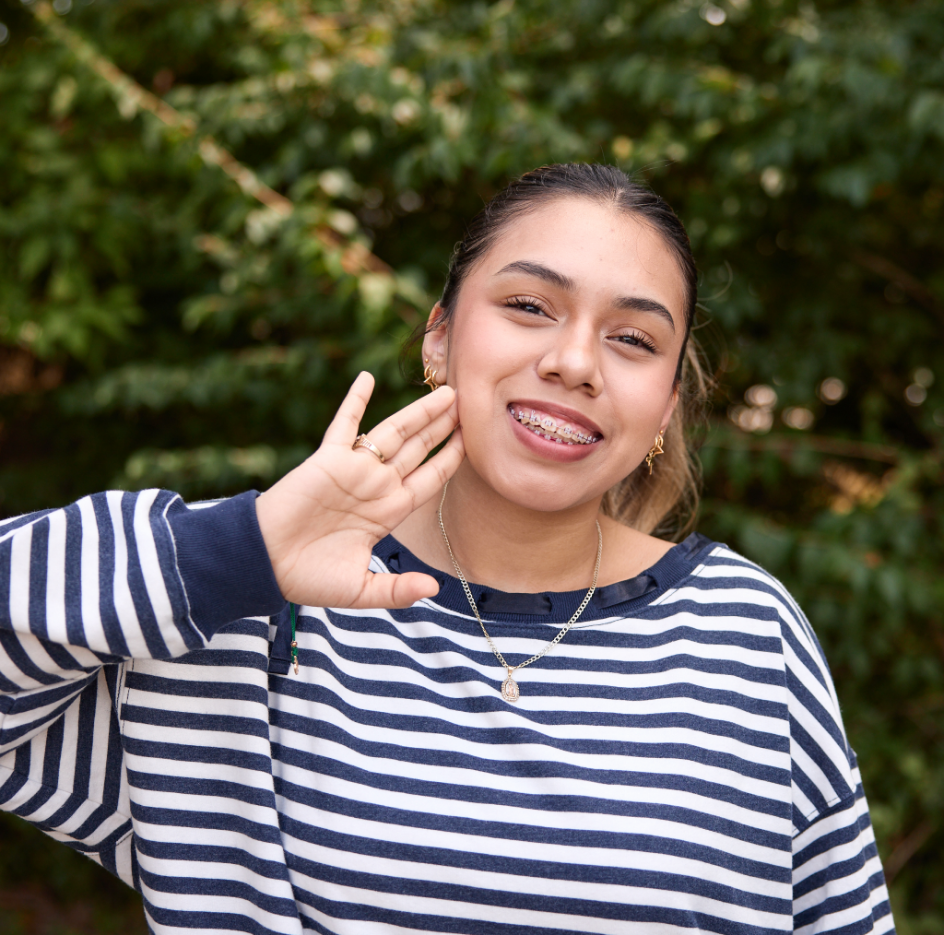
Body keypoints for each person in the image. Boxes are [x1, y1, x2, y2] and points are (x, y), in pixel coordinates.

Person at [0, 164, 893, 935]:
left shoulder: (747, 635)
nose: (576, 361)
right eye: (528, 305)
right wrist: (248, 547)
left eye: (632, 338)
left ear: (663, 406)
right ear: (439, 336)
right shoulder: (246, 613)